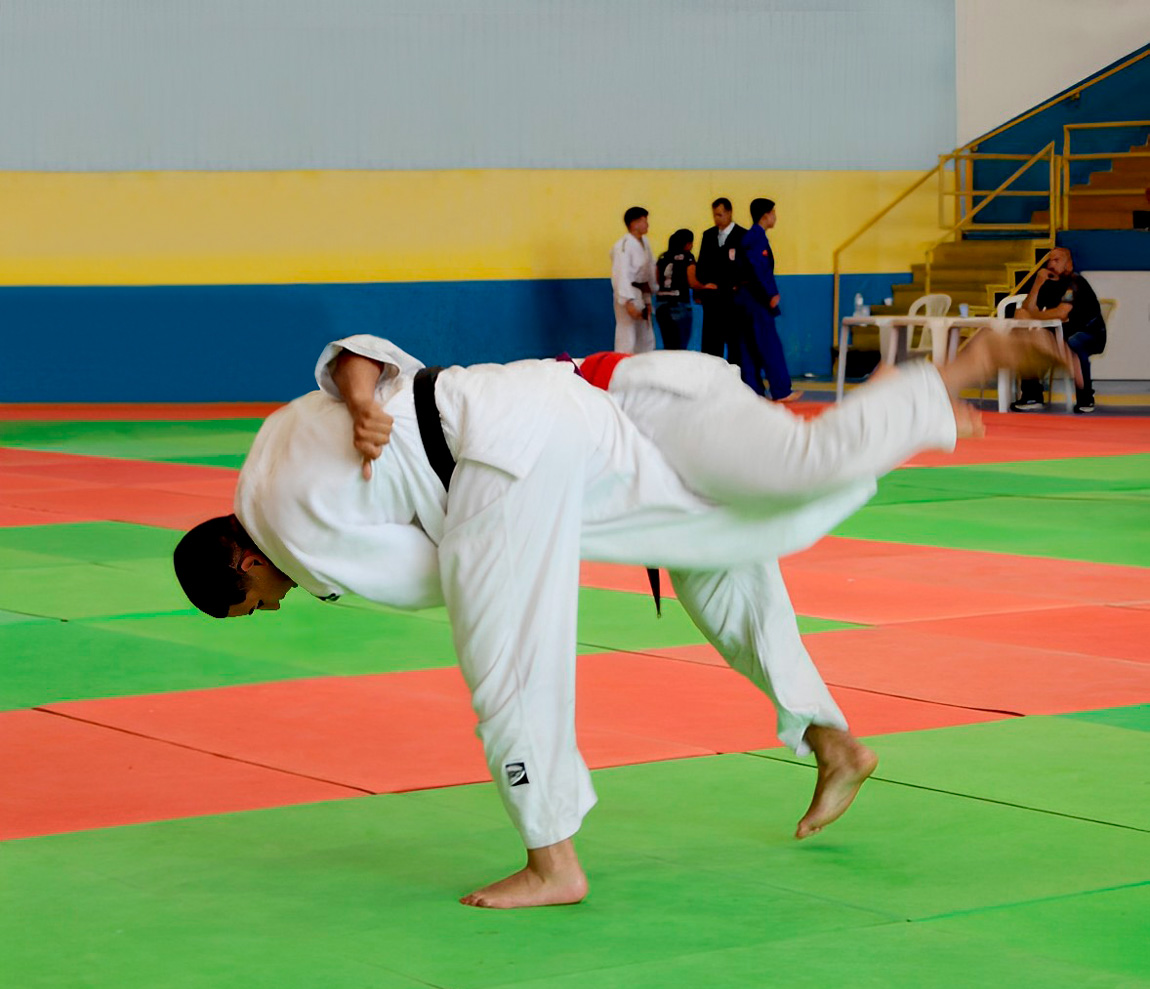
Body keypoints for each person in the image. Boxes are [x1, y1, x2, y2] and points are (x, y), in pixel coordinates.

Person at [173, 330, 1074, 910]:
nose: (278, 603)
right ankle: (832, 735)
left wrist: (526, 555)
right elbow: (358, 358)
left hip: (525, 447)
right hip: (563, 416)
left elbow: (437, 576)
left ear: (245, 562)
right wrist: (367, 400)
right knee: (719, 556)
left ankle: (552, 858)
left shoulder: (292, 536)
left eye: (259, 600)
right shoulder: (268, 444)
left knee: (505, 659)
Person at [1010, 246, 1106, 414]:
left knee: (1074, 342)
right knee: (1024, 343)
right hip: (1062, 331)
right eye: (1049, 260)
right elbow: (1026, 309)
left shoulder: (1075, 283)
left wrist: (1031, 316)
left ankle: (1086, 398)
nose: (1051, 264)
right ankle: (1032, 395)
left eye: (1057, 260)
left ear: (1068, 264)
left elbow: (1062, 312)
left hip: (1090, 332)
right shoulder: (1049, 284)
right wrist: (1037, 284)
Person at [736, 197, 799, 402]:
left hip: (746, 299)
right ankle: (781, 390)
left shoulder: (749, 237)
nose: (775, 217)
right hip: (756, 300)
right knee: (768, 343)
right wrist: (770, 294)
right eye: (773, 212)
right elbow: (760, 269)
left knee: (750, 346)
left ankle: (753, 391)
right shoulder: (756, 238)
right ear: (766, 215)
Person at [694, 197, 746, 365]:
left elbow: (746, 267)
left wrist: (738, 285)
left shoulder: (742, 236)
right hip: (713, 299)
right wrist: (702, 287)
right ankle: (711, 380)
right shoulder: (708, 235)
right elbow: (701, 265)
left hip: (734, 299)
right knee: (711, 345)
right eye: (715, 215)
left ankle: (736, 382)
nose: (717, 219)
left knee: (735, 344)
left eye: (720, 215)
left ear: (730, 213)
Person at [654, 229, 715, 350]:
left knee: (668, 346)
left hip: (661, 305)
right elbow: (692, 281)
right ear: (687, 244)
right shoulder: (688, 257)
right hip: (679, 303)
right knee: (680, 347)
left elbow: (655, 281)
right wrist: (705, 286)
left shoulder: (662, 257)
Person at [609, 206, 657, 354]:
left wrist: (648, 300)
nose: (647, 224)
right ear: (634, 223)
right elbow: (620, 274)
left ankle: (645, 370)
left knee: (646, 338)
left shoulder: (645, 243)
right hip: (628, 294)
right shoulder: (623, 245)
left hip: (641, 293)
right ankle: (623, 371)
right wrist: (628, 302)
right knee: (627, 337)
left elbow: (649, 272)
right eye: (644, 221)